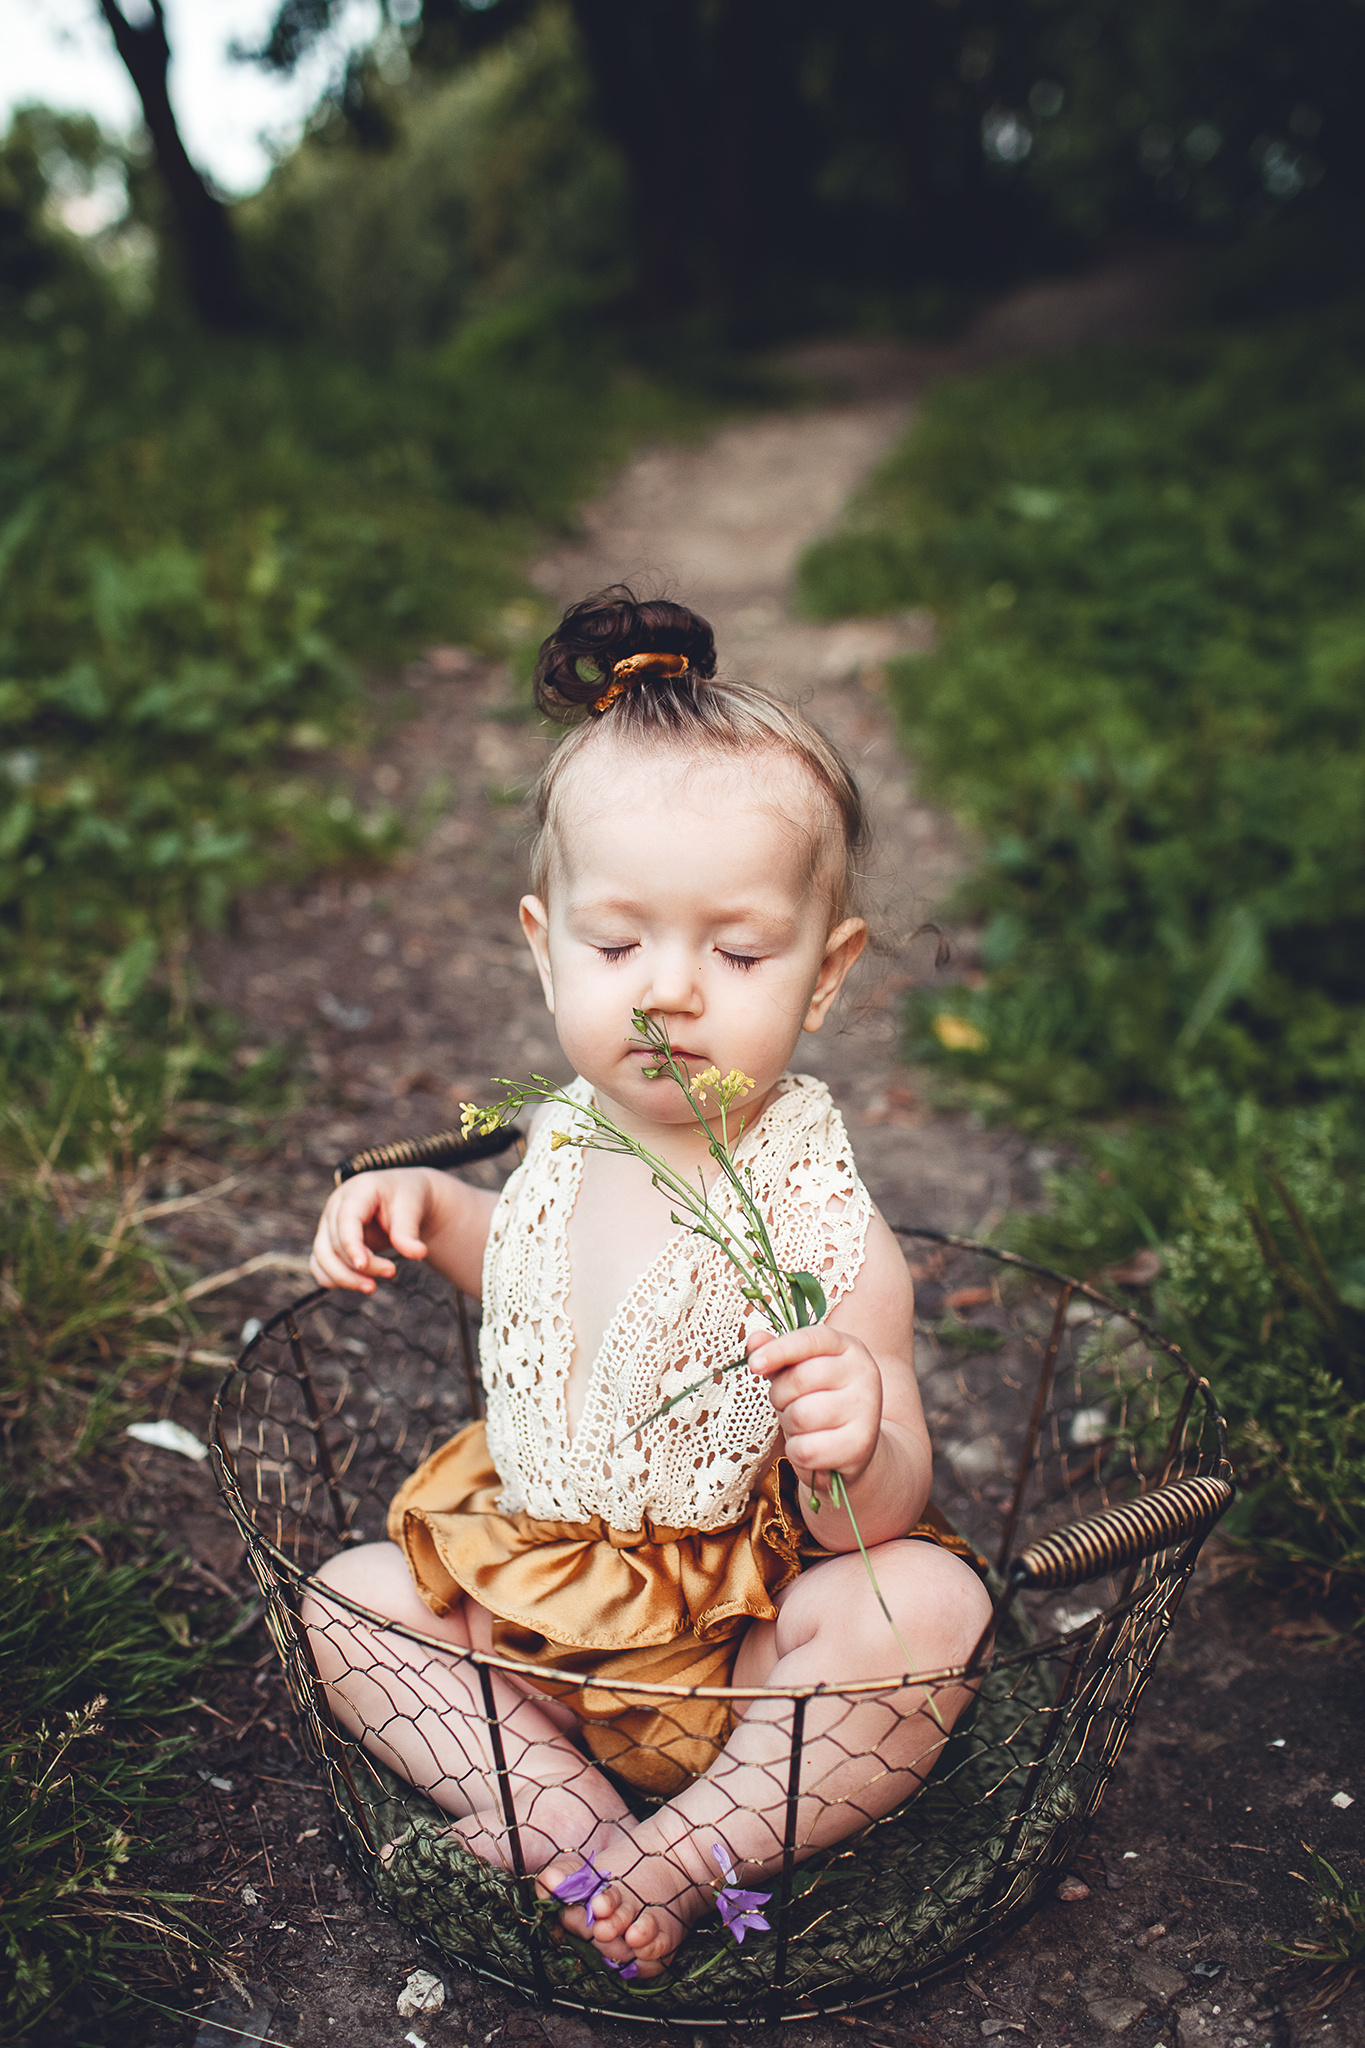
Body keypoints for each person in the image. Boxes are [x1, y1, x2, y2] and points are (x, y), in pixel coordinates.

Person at [304, 587, 993, 1979]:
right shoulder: (564, 1130)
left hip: (740, 1650)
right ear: (539, 939)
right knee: (349, 1602)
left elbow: (890, 1494)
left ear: (823, 976)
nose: (666, 993)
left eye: (736, 954)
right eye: (615, 947)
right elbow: (534, 1279)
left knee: (925, 1613)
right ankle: (550, 1801)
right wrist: (425, 1207)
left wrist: (854, 1434)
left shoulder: (814, 1213)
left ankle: (682, 1848)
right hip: (532, 1614)